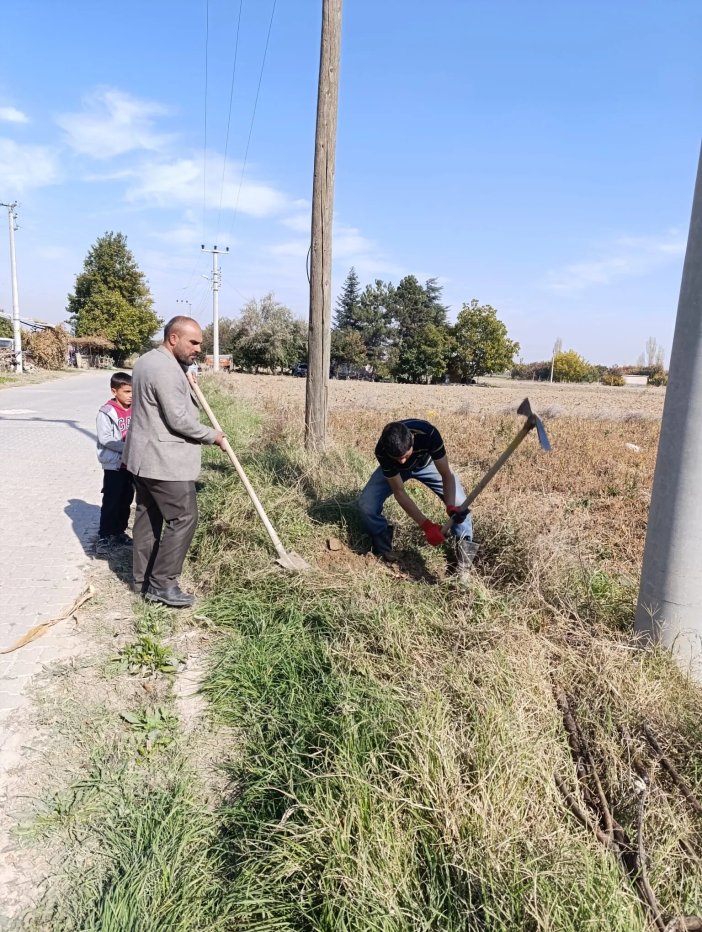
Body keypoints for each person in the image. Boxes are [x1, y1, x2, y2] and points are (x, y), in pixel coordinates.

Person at [122, 316, 226, 607]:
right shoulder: (165, 370)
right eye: (193, 342)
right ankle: (163, 584)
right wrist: (212, 435)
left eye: (199, 344)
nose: (197, 349)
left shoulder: (147, 361)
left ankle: (142, 581)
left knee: (147, 518)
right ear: (173, 339)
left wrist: (186, 378)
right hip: (164, 460)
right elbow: (178, 419)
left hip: (143, 459)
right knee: (184, 518)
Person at [358, 419, 476, 576]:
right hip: (397, 473)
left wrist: (451, 506)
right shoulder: (383, 449)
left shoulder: (429, 434)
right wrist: (426, 526)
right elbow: (399, 491)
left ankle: (463, 563)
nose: (403, 461)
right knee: (366, 504)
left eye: (406, 455)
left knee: (461, 505)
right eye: (397, 457)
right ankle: (383, 546)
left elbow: (446, 474)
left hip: (426, 465)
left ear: (412, 439)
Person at [96, 372, 135, 555]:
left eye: (133, 391)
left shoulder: (135, 409)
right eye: (127, 391)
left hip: (131, 464)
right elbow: (106, 439)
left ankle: (119, 532)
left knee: (126, 499)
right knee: (111, 501)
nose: (131, 395)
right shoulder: (106, 412)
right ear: (114, 390)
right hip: (114, 465)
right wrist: (127, 448)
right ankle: (104, 536)